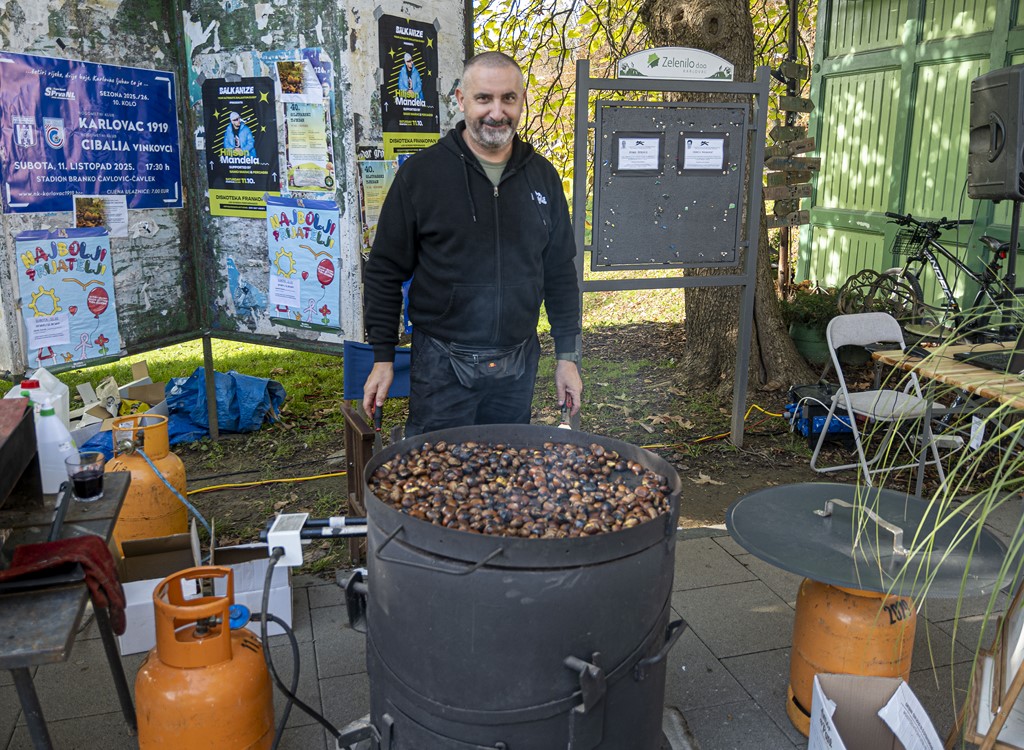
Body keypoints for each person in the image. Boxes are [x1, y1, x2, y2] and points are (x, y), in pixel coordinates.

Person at [362, 51, 582, 438]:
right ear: (462, 100)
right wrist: (382, 356)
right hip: (442, 364)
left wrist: (567, 357)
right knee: (438, 476)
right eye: (484, 99)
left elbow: (560, 271)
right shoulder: (422, 175)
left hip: (518, 362)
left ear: (521, 101)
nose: (497, 112)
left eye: (508, 99)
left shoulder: (543, 177)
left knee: (507, 471)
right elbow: (384, 271)